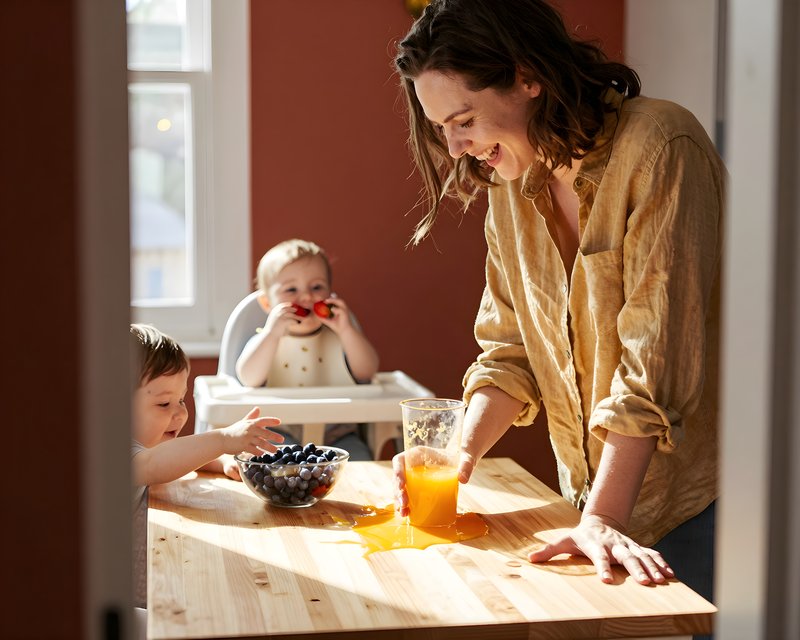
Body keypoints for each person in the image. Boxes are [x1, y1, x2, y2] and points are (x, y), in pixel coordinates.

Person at [391, 0, 724, 623]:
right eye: (443, 128)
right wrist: (456, 459)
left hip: (696, 504)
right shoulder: (510, 187)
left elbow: (653, 359)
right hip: (592, 503)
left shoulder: (661, 145)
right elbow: (511, 350)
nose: (457, 146)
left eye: (463, 119)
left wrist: (605, 516)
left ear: (526, 76)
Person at [130, 323, 283, 616]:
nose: (180, 413)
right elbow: (153, 465)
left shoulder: (144, 446)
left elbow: (171, 456)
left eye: (181, 400)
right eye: (164, 403)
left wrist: (220, 461)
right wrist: (223, 439)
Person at [236, 238, 380, 461]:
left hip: (338, 438)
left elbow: (367, 372)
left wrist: (346, 331)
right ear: (267, 304)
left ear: (330, 293)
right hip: (279, 436)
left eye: (316, 287)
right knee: (268, 463)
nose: (305, 297)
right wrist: (271, 334)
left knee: (361, 464)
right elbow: (248, 378)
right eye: (291, 289)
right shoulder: (264, 340)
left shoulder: (341, 337)